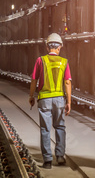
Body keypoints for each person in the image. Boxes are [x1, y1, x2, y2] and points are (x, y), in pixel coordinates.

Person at [29, 33, 72, 169]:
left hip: (44, 99)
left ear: (48, 47)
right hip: (59, 100)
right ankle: (60, 156)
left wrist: (31, 96)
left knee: (45, 129)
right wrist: (69, 101)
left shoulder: (40, 60)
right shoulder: (64, 62)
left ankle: (47, 160)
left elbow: (34, 80)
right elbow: (67, 83)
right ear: (59, 48)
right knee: (60, 127)